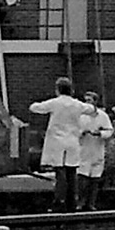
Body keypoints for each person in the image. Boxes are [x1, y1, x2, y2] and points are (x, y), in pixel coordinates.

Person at [30, 76, 91, 212]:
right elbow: (91, 109)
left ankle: (59, 201)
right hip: (72, 142)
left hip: (58, 142)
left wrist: (33, 104)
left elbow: (35, 108)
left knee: (60, 172)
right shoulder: (77, 104)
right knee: (72, 172)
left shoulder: (55, 103)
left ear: (57, 90)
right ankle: (72, 202)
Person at [75, 91, 114, 211]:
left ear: (95, 102)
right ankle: (80, 203)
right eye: (85, 101)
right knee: (82, 179)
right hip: (83, 150)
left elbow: (110, 131)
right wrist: (82, 133)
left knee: (94, 180)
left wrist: (100, 133)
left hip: (97, 150)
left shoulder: (102, 116)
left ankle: (91, 204)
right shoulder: (80, 116)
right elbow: (73, 131)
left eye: (89, 101)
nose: (86, 104)